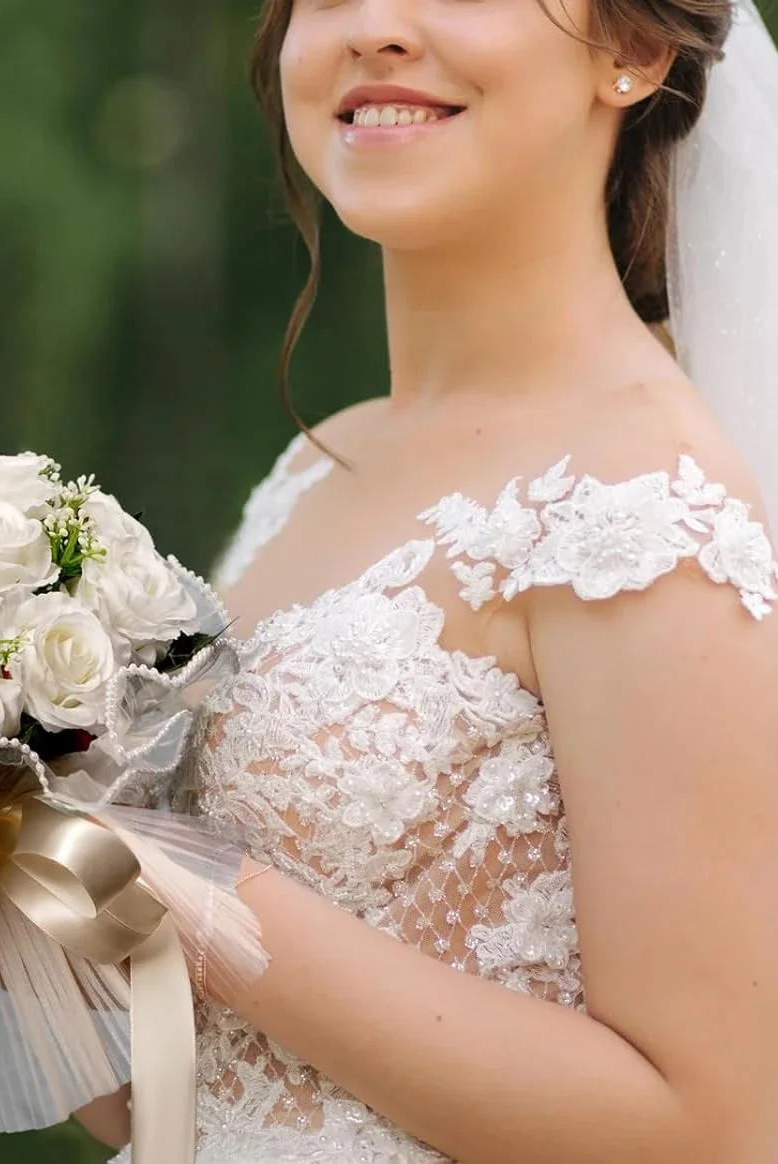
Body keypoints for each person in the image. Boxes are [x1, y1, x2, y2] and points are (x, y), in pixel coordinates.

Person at [79, 0, 778, 1159]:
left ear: (636, 50)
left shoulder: (641, 505)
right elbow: (221, 1098)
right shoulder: (318, 462)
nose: (377, 28)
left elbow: (711, 1129)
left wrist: (198, 899)